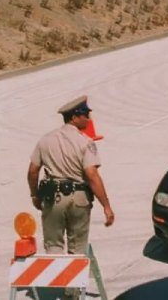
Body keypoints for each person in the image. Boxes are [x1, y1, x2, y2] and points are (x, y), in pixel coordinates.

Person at [27, 95, 115, 255]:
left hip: (53, 199)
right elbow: (92, 175)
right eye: (86, 115)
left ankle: (56, 278)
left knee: (53, 246)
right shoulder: (85, 142)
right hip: (79, 200)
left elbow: (33, 171)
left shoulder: (45, 140)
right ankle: (75, 280)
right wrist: (106, 206)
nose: (89, 120)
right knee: (77, 249)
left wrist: (34, 195)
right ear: (74, 117)